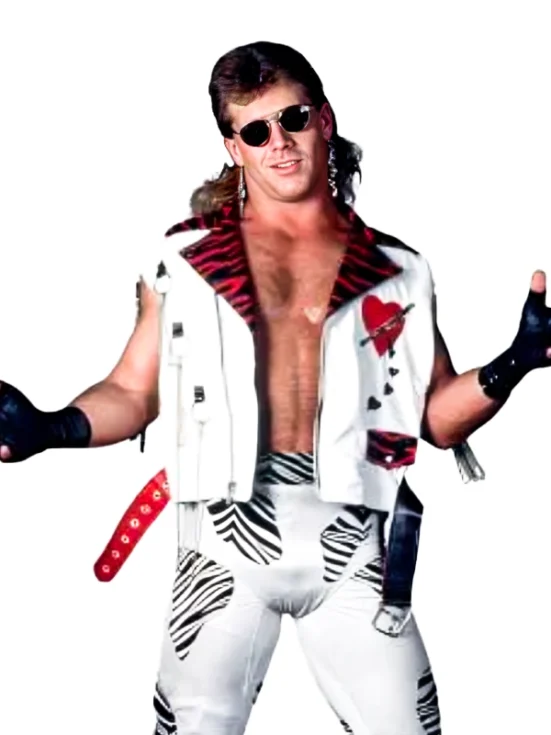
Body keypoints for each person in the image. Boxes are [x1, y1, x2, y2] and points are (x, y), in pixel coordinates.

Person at [1, 40, 550, 735]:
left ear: (324, 118)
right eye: (256, 131)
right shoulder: (184, 258)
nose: (279, 143)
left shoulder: (396, 268)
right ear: (233, 147)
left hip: (351, 543)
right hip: (222, 544)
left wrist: (514, 363)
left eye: (292, 118)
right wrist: (52, 427)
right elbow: (134, 391)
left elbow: (438, 418)